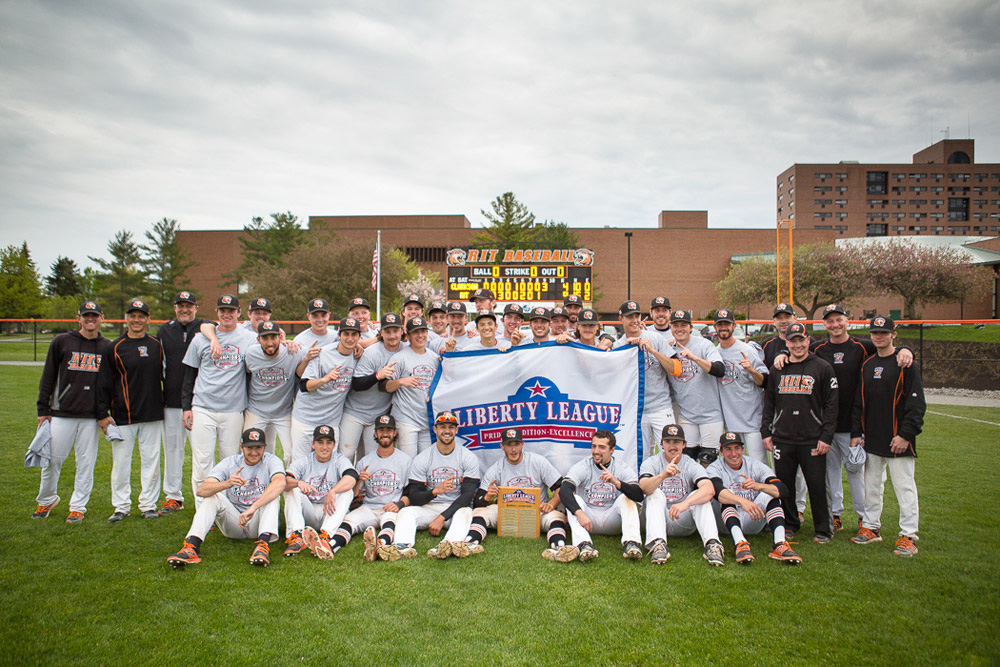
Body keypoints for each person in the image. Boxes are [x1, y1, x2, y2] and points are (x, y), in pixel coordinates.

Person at [774, 303, 914, 531]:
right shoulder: (818, 349)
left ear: (847, 321)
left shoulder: (862, 346)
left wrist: (906, 349)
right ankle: (835, 515)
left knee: (857, 472)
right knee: (830, 474)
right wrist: (781, 354)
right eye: (830, 320)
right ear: (824, 324)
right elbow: (796, 349)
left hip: (853, 423)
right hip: (824, 425)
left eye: (839, 319)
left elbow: (887, 347)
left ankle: (863, 518)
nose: (835, 324)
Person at [850, 315, 926, 557]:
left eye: (884, 332)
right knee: (872, 486)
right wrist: (857, 433)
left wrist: (905, 435)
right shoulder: (868, 364)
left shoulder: (905, 363)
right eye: (875, 333)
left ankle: (908, 536)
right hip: (872, 439)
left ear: (894, 334)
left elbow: (916, 404)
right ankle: (871, 527)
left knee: (904, 488)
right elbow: (859, 403)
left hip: (898, 440)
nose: (878, 336)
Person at [33, 300, 113, 524]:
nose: (90, 319)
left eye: (94, 316)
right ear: (78, 318)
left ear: (101, 318)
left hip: (91, 417)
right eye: (86, 315)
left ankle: (78, 506)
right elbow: (48, 376)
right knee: (52, 460)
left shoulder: (107, 346)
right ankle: (47, 499)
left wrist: (104, 413)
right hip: (62, 413)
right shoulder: (62, 341)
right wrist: (43, 409)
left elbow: (109, 384)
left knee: (86, 463)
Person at [761, 322, 838, 543]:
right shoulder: (778, 369)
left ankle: (823, 529)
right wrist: (766, 432)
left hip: (812, 438)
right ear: (787, 342)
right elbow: (769, 403)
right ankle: (790, 523)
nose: (797, 344)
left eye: (801, 340)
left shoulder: (822, 368)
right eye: (792, 341)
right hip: (783, 437)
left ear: (808, 341)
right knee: (784, 485)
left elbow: (832, 406)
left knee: (816, 485)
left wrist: (826, 436)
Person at [166, 428, 284, 568]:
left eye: (258, 447)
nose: (254, 452)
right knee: (212, 497)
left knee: (272, 497)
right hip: (234, 522)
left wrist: (253, 508)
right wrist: (227, 484)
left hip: (258, 520)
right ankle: (192, 547)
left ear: (264, 447)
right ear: (241, 447)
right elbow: (201, 490)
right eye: (249, 447)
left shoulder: (271, 461)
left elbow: (280, 482)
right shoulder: (230, 463)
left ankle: (262, 547)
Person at [181, 294, 258, 503]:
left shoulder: (248, 338)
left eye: (231, 310)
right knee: (202, 461)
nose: (227, 314)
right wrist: (186, 407)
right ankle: (203, 508)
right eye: (222, 310)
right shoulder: (201, 338)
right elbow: (189, 375)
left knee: (231, 461)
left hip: (233, 410)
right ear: (217, 313)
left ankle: (226, 507)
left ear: (238, 312)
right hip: (203, 407)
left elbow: (269, 341)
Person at [97, 299, 164, 522]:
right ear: (126, 318)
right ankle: (121, 506)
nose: (137, 320)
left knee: (151, 463)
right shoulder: (114, 347)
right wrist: (102, 414)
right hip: (122, 416)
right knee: (121, 465)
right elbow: (104, 382)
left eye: (141, 315)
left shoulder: (156, 345)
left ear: (148, 319)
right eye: (132, 315)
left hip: (152, 415)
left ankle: (148, 505)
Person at [456, 427, 569, 560]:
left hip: (535, 513)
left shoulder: (537, 462)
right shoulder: (496, 468)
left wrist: (551, 504)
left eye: (516, 444)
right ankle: (470, 543)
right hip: (507, 515)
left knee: (556, 516)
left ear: (522, 444)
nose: (513, 449)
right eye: (509, 445)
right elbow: (477, 503)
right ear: (502, 446)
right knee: (479, 512)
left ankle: (559, 548)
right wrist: (487, 497)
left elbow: (562, 487)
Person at [381, 411, 480, 560]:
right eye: (442, 427)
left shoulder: (467, 457)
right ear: (435, 429)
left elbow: (467, 496)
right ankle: (402, 546)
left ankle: (448, 544)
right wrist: (434, 491)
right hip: (431, 506)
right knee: (406, 512)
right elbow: (414, 496)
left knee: (466, 511)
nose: (447, 431)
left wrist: (442, 518)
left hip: (455, 508)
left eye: (451, 427)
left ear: (456, 430)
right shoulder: (423, 458)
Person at [708, 431, 802, 565]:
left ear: (743, 449)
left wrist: (759, 486)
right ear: (721, 451)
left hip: (753, 517)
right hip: (725, 523)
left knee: (770, 494)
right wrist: (742, 501)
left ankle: (780, 544)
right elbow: (718, 492)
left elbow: (782, 490)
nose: (733, 454)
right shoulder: (715, 467)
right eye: (728, 449)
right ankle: (740, 543)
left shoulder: (754, 465)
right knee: (727, 495)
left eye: (737, 448)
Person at [640, 424, 726, 566]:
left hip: (681, 518)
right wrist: (663, 476)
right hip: (655, 518)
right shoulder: (652, 462)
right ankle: (658, 544)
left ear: (684, 444)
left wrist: (685, 503)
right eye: (668, 442)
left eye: (677, 442)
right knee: (655, 494)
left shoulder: (691, 464)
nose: (672, 446)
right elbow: (644, 487)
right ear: (661, 444)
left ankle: (713, 544)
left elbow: (709, 489)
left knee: (700, 497)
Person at [155, 290, 209, 515]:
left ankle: (205, 496)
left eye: (189, 305)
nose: (184, 309)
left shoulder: (207, 327)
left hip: (200, 402)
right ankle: (173, 496)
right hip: (172, 400)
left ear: (196, 307)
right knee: (173, 450)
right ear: (175, 307)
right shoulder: (165, 330)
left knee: (202, 453)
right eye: (180, 305)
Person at [558, 430, 644, 563]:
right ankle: (583, 544)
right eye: (594, 446)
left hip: (612, 518)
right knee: (575, 500)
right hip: (588, 520)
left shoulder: (621, 467)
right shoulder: (584, 465)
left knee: (626, 498)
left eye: (602, 447)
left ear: (612, 450)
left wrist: (616, 482)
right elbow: (564, 490)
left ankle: (632, 543)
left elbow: (639, 495)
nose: (596, 451)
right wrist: (579, 512)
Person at [613, 300, 681, 462]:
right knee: (641, 458)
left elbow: (676, 369)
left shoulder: (655, 339)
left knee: (671, 454)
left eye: (637, 316)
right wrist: (623, 352)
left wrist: (652, 350)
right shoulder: (618, 346)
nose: (634, 320)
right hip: (636, 411)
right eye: (630, 317)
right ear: (621, 319)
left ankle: (673, 487)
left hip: (661, 407)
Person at [281, 425, 359, 559]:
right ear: (313, 444)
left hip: (329, 512)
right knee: (291, 489)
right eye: (320, 442)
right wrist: (298, 483)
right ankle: (297, 535)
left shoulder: (339, 460)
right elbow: (284, 481)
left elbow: (352, 478)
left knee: (346, 491)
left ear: (334, 445)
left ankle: (326, 535)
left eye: (329, 442)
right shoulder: (304, 461)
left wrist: (333, 491)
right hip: (309, 511)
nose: (324, 447)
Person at [343, 415, 413, 561]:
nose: (385, 434)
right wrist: (358, 482)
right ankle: (330, 546)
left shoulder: (405, 461)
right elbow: (354, 496)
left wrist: (399, 504)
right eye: (381, 430)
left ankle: (378, 545)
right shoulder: (365, 461)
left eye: (389, 430)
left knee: (390, 524)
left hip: (390, 507)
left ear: (395, 433)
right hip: (369, 507)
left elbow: (411, 492)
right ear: (375, 434)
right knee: (348, 521)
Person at [292, 317, 361, 462]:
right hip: (306, 417)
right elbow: (304, 386)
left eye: (354, 334)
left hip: (331, 420)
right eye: (346, 334)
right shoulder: (323, 353)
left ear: (359, 337)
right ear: (339, 335)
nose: (349, 338)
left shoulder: (358, 356)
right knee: (300, 463)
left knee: (328, 465)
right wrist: (325, 379)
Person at [341, 311, 405, 460]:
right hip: (355, 411)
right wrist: (378, 375)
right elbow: (356, 384)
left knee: (371, 458)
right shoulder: (372, 352)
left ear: (401, 331)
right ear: (381, 332)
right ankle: (345, 483)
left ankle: (364, 484)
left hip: (379, 413)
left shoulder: (405, 349)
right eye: (387, 331)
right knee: (347, 454)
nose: (392, 335)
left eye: (395, 331)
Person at [665, 309, 725, 461]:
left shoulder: (704, 345)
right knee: (686, 461)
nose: (680, 329)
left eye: (684, 325)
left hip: (710, 415)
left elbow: (720, 369)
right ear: (671, 328)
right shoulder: (667, 349)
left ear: (691, 327)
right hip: (686, 416)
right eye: (676, 325)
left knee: (709, 461)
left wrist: (694, 358)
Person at [713, 309, 768, 462]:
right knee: (735, 465)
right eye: (720, 324)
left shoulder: (747, 350)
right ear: (715, 327)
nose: (723, 327)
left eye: (727, 324)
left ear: (734, 325)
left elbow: (763, 381)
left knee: (759, 464)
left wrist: (751, 370)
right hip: (731, 422)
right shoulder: (714, 353)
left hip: (753, 421)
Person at [381, 317, 440, 455]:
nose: (420, 335)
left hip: (427, 419)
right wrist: (401, 381)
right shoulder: (399, 358)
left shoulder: (434, 358)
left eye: (423, 331)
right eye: (415, 332)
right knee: (408, 461)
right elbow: (385, 387)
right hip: (406, 418)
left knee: (425, 461)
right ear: (408, 336)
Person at [244, 321, 300, 463]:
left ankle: (293, 485)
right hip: (256, 410)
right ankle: (259, 484)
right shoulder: (251, 354)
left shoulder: (292, 352)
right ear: (258, 340)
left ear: (280, 338)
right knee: (251, 452)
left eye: (273, 337)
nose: (270, 343)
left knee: (292, 454)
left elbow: (317, 352)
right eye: (265, 338)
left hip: (283, 411)